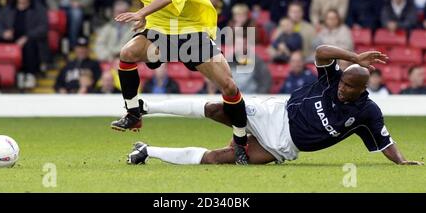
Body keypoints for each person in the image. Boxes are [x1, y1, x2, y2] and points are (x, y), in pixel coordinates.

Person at [127, 45, 423, 166]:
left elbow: (384, 140)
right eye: (343, 83)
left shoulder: (367, 112)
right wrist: (355, 58)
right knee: (217, 108)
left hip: (284, 147)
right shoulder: (332, 78)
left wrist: (401, 161)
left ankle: (147, 151)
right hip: (274, 114)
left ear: (363, 90)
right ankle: (145, 107)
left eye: (349, 87)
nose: (342, 89)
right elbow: (321, 51)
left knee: (221, 159)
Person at [110, 0, 250, 164]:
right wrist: (146, 22)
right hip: (162, 28)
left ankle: (240, 143)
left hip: (191, 29)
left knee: (228, 86)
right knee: (127, 53)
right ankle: (133, 112)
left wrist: (141, 13)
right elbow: (155, 1)